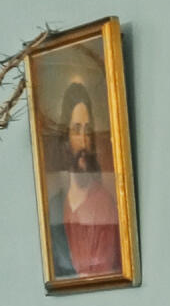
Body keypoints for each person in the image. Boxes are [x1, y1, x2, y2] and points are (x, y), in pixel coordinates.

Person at [43, 80, 119, 281]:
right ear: (66, 139)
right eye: (77, 129)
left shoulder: (103, 203)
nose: (84, 141)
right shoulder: (55, 207)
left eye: (88, 130)